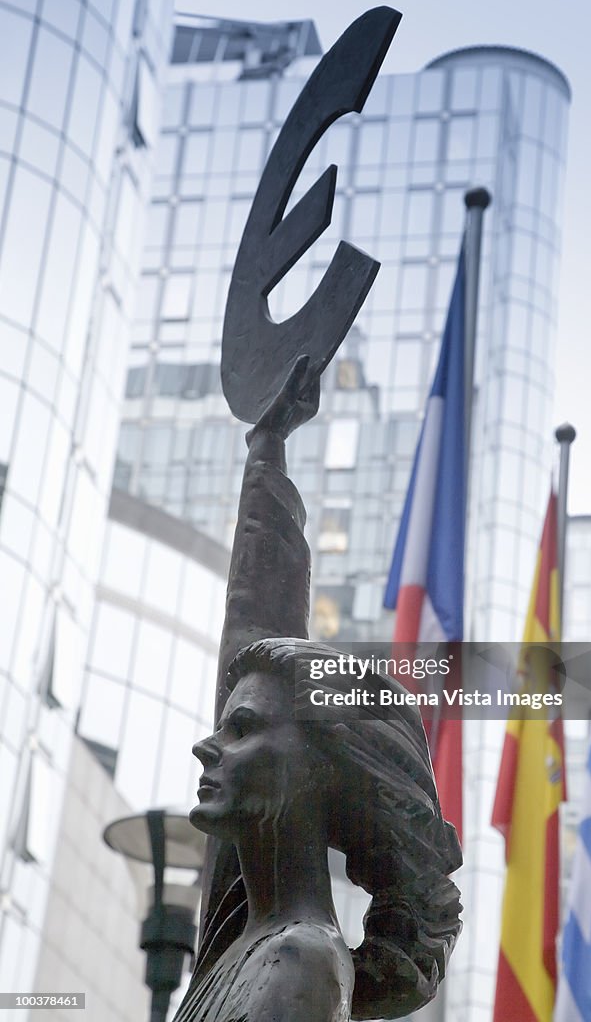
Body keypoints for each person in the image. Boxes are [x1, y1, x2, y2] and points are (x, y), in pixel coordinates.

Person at [174, 358, 462, 1021]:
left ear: (316, 769)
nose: (205, 745)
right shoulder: (243, 932)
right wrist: (266, 451)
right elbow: (255, 619)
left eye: (240, 729)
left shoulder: (298, 961)